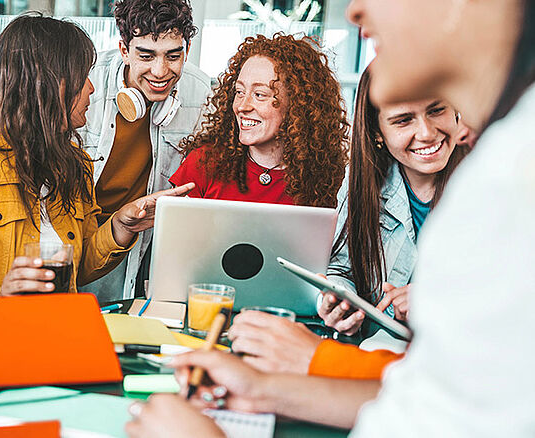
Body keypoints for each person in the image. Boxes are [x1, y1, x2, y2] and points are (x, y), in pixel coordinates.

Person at [127, 0, 535, 435]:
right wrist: (262, 389)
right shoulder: (486, 165)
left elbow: (455, 416)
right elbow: (426, 397)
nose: (355, 11)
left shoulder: (510, 179)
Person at [0, 15, 193, 303]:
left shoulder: (73, 162)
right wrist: (0, 296)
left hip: (41, 329)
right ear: (47, 85)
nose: (93, 89)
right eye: (83, 77)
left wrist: (122, 226)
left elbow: (77, 268)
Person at [318, 68, 469, 338]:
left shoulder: (492, 178)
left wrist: (435, 301)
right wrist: (340, 302)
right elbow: (340, 268)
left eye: (437, 111)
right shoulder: (362, 180)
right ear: (377, 133)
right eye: (403, 121)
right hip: (377, 358)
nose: (426, 133)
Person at [77, 0, 211, 301]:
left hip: (150, 244)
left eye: (173, 56)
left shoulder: (201, 93)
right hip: (87, 238)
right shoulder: (88, 84)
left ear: (186, 49)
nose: (160, 71)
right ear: (124, 50)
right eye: (146, 56)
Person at [170, 33, 348, 207]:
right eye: (239, 92)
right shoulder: (205, 162)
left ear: (297, 103)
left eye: (259, 94)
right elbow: (172, 233)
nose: (242, 106)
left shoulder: (327, 179)